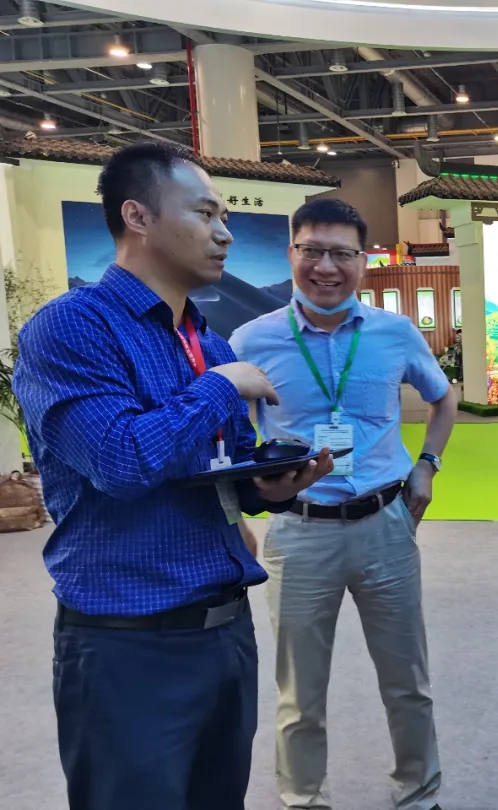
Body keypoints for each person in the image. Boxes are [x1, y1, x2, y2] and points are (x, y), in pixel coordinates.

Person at [12, 142, 332, 810]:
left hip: (224, 632)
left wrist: (267, 487)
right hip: (129, 644)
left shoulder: (206, 340)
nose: (224, 233)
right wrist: (221, 387)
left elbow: (218, 468)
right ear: (137, 216)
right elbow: (120, 461)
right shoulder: (72, 328)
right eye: (206, 214)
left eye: (226, 218)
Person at [230, 198, 456, 810]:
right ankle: (303, 799)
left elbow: (443, 398)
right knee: (299, 692)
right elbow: (225, 436)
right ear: (292, 254)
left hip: (386, 524)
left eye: (341, 254)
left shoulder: (394, 333)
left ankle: (419, 795)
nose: (326, 267)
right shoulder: (251, 340)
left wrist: (427, 466)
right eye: (312, 251)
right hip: (299, 532)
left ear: (363, 260)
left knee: (408, 682)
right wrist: (239, 509)